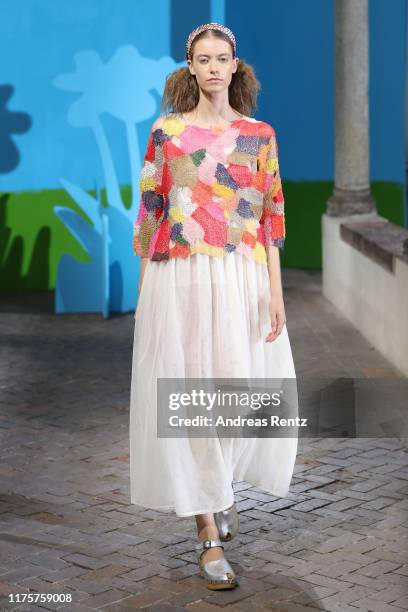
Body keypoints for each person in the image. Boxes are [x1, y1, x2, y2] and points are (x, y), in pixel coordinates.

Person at [129, 22, 298, 590]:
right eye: (203, 59)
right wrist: (143, 292)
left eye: (222, 58)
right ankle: (207, 532)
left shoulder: (258, 136)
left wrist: (275, 292)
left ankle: (217, 488)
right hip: (179, 278)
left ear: (235, 65)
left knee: (237, 394)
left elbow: (270, 218)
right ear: (190, 67)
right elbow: (151, 214)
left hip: (241, 278)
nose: (213, 68)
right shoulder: (168, 134)